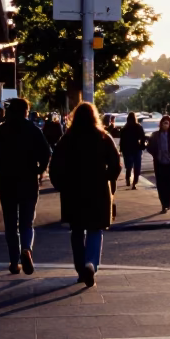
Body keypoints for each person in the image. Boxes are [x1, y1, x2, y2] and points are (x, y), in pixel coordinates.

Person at [49, 102, 121, 287]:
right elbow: (116, 163)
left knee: (77, 230)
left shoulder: (67, 139)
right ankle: (91, 263)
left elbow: (55, 165)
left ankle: (81, 268)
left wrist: (61, 185)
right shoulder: (103, 137)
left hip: (73, 191)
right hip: (98, 190)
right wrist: (107, 177)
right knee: (95, 229)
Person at [0, 98, 52, 275]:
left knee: (10, 223)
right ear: (26, 111)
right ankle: (26, 249)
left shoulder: (0, 131)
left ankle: (14, 261)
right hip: (28, 180)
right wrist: (39, 169)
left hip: (7, 181)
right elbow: (46, 152)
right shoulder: (33, 131)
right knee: (26, 221)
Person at [146, 115, 170, 212]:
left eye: (167, 123)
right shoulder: (155, 135)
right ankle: (164, 204)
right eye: (164, 123)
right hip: (159, 164)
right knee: (161, 185)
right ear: (161, 124)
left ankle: (168, 201)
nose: (165, 125)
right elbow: (149, 147)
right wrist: (156, 154)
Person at [119, 112, 146, 189]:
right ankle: (135, 182)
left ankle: (128, 178)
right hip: (136, 148)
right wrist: (142, 146)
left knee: (128, 166)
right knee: (137, 166)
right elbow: (143, 137)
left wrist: (121, 149)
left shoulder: (125, 128)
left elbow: (122, 140)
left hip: (127, 149)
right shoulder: (138, 127)